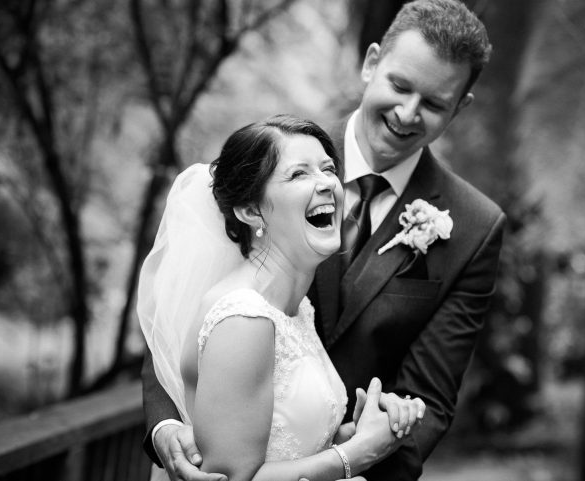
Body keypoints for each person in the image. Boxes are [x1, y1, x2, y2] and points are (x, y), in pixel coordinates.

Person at [143, 0, 506, 479]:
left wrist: (366, 452)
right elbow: (182, 303)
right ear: (371, 61)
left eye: (435, 103)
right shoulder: (272, 157)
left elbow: (429, 399)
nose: (407, 113)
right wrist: (165, 426)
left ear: (459, 107)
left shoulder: (475, 226)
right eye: (399, 85)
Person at [138, 114, 425, 481]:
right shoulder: (243, 319)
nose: (325, 184)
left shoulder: (294, 308)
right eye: (298, 174)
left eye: (327, 169)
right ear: (250, 210)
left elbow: (286, 439)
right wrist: (355, 454)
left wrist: (360, 431)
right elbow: (232, 479)